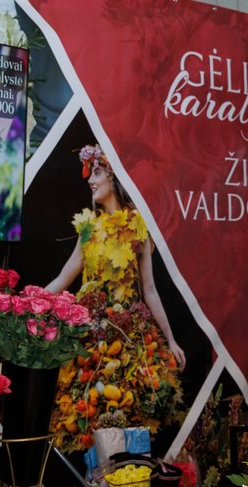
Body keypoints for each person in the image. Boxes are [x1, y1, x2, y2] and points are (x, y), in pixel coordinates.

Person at [47, 144, 184, 452]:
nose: (90, 181)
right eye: (91, 174)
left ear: (115, 178)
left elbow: (149, 290)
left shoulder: (137, 228)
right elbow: (63, 278)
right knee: (93, 417)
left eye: (97, 173)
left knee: (134, 415)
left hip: (131, 339)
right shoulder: (88, 230)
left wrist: (170, 339)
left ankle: (131, 483)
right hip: (93, 342)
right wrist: (29, 301)